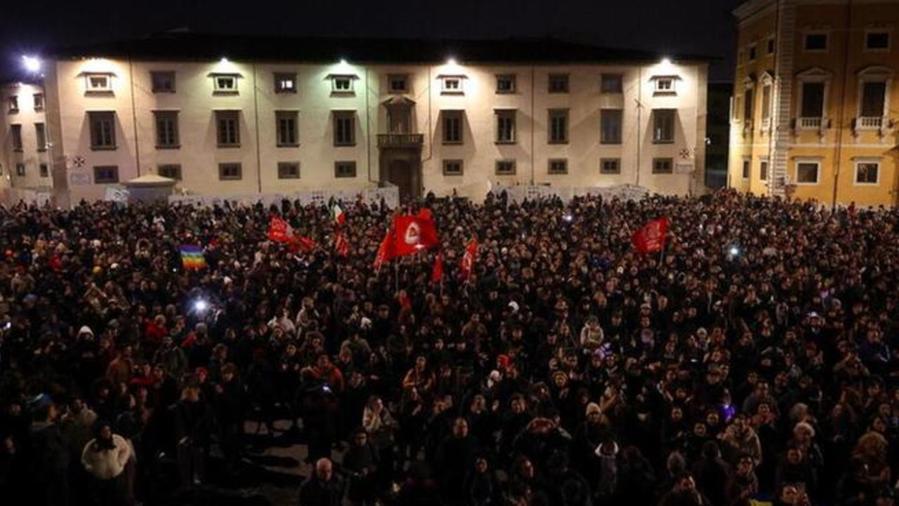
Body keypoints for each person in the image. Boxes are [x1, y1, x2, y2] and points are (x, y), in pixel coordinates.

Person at [80, 421, 132, 506]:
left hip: (116, 477)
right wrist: (89, 468)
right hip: (100, 480)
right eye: (104, 431)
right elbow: (84, 459)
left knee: (118, 499)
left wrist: (121, 461)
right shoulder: (91, 445)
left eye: (108, 430)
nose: (107, 433)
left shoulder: (116, 439)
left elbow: (126, 449)